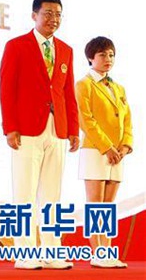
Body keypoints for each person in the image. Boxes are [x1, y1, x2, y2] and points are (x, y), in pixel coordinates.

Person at [0, 0, 79, 270]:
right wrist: (10, 127)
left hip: (57, 130)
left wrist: (73, 129)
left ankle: (51, 251)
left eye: (57, 14)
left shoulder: (66, 49)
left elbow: (68, 93)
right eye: (47, 13)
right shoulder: (16, 46)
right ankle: (24, 253)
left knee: (52, 195)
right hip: (26, 129)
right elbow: (6, 89)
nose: (53, 19)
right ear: (34, 15)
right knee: (24, 193)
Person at [75, 36, 132, 268]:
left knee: (108, 205)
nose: (108, 59)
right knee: (95, 204)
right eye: (102, 55)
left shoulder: (118, 88)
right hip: (95, 151)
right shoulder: (84, 84)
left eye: (111, 55)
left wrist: (125, 145)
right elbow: (85, 120)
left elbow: (127, 120)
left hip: (117, 153)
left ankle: (107, 251)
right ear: (91, 58)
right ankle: (97, 252)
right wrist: (106, 147)